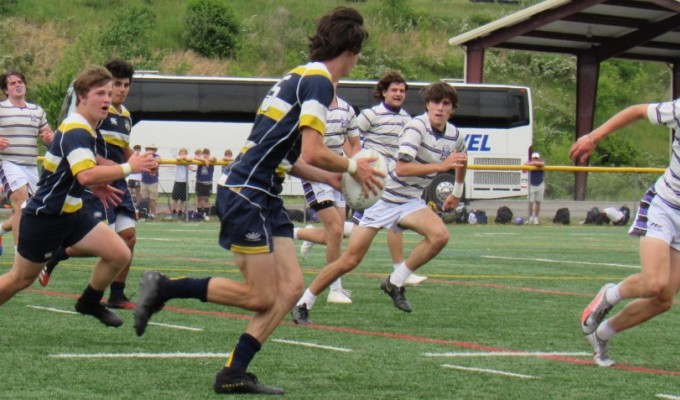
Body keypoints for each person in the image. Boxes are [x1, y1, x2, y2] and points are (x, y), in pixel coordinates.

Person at [133, 7, 380, 395]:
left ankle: (234, 372)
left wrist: (334, 176)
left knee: (290, 288)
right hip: (247, 192)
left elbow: (292, 158)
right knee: (262, 295)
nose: (357, 61)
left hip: (264, 192)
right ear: (349, 50)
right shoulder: (318, 82)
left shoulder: (298, 77)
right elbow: (315, 150)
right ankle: (164, 287)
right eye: (358, 53)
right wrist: (352, 167)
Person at [292, 81, 468, 324]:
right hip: (383, 199)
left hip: (409, 201)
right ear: (427, 105)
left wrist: (456, 191)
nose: (439, 108)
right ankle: (304, 302)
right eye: (435, 102)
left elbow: (461, 159)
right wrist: (442, 166)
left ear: (452, 109)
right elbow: (404, 168)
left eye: (445, 104)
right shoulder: (416, 127)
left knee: (440, 236)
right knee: (350, 260)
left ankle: (394, 282)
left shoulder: (455, 135)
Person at [0, 66, 154, 326]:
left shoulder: (86, 126)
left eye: (109, 92)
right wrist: (130, 167)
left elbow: (74, 168)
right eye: (100, 93)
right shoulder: (77, 129)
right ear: (82, 97)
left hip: (71, 213)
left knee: (119, 252)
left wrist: (97, 186)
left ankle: (89, 302)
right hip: (46, 218)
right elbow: (84, 175)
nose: (107, 98)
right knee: (20, 279)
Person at [571, 97, 680, 367]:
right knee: (654, 283)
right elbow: (637, 111)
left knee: (664, 299)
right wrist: (593, 137)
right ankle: (609, 294)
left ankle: (602, 334)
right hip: (664, 205)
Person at [38, 60, 142, 310]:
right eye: (116, 85)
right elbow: (88, 154)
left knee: (128, 238)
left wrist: (139, 161)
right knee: (104, 242)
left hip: (116, 180)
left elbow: (123, 148)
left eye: (126, 85)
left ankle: (117, 294)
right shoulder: (96, 115)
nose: (121, 90)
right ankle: (56, 254)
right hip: (98, 180)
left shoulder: (125, 115)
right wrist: (120, 168)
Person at [354, 70, 427, 286]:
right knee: (355, 233)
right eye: (394, 90)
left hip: (393, 180)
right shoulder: (370, 115)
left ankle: (399, 272)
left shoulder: (407, 119)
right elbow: (351, 138)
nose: (398, 94)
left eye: (402, 90)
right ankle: (308, 235)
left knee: (393, 223)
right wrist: (357, 165)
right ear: (383, 92)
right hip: (373, 179)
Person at [294, 80, 362, 304]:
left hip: (338, 171)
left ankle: (299, 233)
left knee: (338, 231)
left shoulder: (346, 109)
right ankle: (335, 289)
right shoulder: (309, 107)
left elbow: (354, 143)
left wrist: (352, 167)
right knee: (334, 228)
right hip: (314, 172)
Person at [0, 71, 54, 254]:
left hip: (30, 166)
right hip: (8, 163)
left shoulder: (36, 111)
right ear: (6, 90)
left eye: (21, 81)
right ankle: (19, 255)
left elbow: (49, 135)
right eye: (13, 82)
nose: (18, 84)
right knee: (22, 204)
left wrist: (49, 138)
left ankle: (1, 229)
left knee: (30, 211)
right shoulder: (1, 108)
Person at [140, 143, 160, 220]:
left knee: (152, 199)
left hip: (153, 181)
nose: (151, 150)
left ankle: (153, 214)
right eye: (149, 149)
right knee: (145, 199)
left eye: (152, 149)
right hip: (144, 180)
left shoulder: (157, 157)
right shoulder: (143, 157)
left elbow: (157, 161)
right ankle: (146, 213)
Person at [524, 151, 545, 225]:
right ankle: (530, 217)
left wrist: (533, 164)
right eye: (534, 158)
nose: (535, 159)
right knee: (530, 202)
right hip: (531, 184)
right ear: (532, 158)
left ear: (538, 158)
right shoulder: (529, 163)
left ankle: (536, 218)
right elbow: (524, 166)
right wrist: (532, 164)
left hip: (540, 184)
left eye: (536, 158)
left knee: (538, 202)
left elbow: (541, 164)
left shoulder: (541, 162)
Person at [195, 148, 216, 221]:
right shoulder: (200, 160)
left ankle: (206, 214)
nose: (205, 155)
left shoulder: (211, 161)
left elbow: (214, 158)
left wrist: (207, 160)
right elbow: (195, 157)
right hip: (200, 182)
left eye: (207, 154)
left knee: (206, 199)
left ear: (209, 154)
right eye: (204, 154)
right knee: (199, 199)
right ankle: (199, 214)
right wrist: (204, 160)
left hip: (208, 183)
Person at [171, 147, 190, 219]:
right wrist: (183, 157)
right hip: (178, 181)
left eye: (184, 153)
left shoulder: (187, 159)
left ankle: (180, 212)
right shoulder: (178, 158)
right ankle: (173, 211)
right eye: (182, 153)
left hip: (185, 181)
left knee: (183, 199)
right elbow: (178, 158)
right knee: (175, 198)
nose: (183, 154)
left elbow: (189, 159)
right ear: (179, 153)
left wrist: (185, 157)